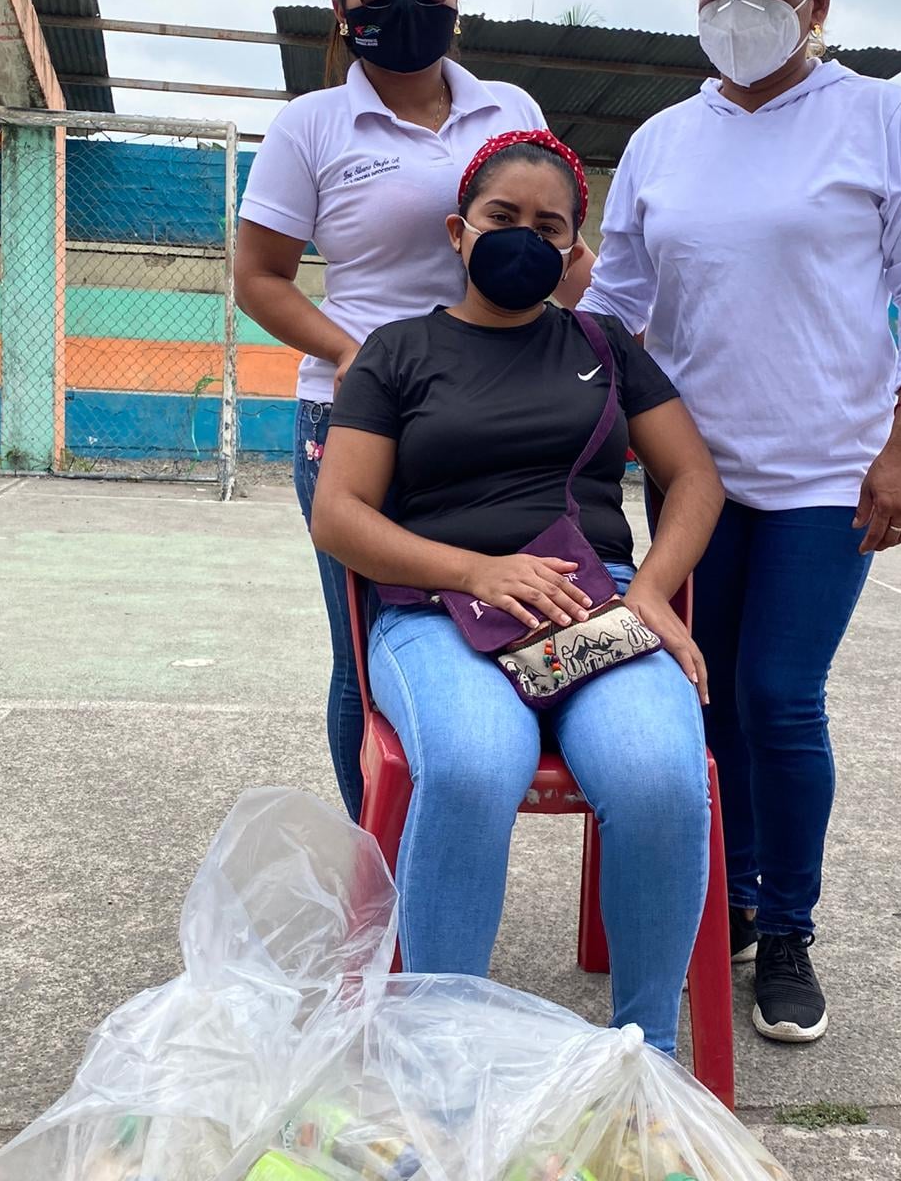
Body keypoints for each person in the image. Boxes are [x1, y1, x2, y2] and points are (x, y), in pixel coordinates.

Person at [580, 0, 901, 1043]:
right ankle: (731, 897)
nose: (740, 2)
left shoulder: (883, 117)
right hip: (693, 474)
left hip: (829, 474)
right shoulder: (662, 140)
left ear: (819, 0)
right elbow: (617, 304)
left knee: (779, 697)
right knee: (706, 697)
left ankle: (788, 927)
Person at [311, 130, 726, 1056]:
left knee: (659, 775)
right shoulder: (396, 352)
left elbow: (695, 478)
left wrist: (654, 591)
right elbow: (338, 514)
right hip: (436, 611)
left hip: (591, 605)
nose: (524, 240)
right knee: (471, 767)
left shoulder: (605, 347)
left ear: (575, 250)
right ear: (458, 230)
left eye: (549, 227)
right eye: (503, 218)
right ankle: (441, 1054)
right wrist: (475, 570)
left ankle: (645, 1056)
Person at [235, 0, 593, 823]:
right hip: (360, 417)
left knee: (496, 618)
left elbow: (556, 248)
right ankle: (377, 858)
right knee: (366, 651)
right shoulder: (311, 126)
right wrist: (356, 356)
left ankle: (462, 810)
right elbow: (259, 279)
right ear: (342, 6)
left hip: (496, 413)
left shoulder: (509, 110)